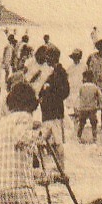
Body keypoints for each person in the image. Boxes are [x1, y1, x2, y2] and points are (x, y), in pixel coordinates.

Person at [38, 45, 71, 177]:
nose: (46, 59)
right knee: (46, 141)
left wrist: (48, 94)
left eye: (48, 57)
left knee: (55, 142)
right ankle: (56, 168)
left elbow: (64, 92)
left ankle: (60, 168)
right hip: (50, 113)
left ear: (53, 57)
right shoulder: (55, 72)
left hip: (53, 113)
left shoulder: (59, 72)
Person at [74, 77, 102, 143]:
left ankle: (78, 137)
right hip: (92, 109)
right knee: (94, 124)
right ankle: (94, 138)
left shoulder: (81, 87)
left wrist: (77, 107)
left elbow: (77, 97)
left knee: (81, 124)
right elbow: (101, 97)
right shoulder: (95, 87)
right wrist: (100, 105)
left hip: (83, 108)